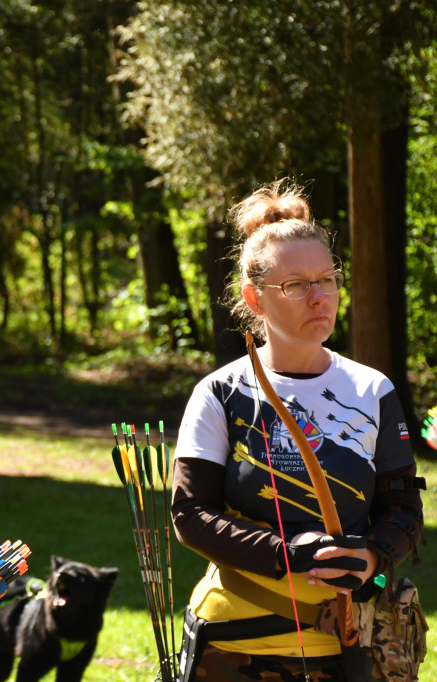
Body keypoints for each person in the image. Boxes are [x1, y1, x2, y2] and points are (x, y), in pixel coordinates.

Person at [171, 180, 424, 681]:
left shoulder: (372, 390)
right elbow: (191, 514)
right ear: (254, 298)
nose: (319, 297)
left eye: (327, 280)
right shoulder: (221, 391)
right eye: (296, 285)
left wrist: (371, 555)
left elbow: (402, 509)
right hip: (234, 648)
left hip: (349, 647)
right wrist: (288, 554)